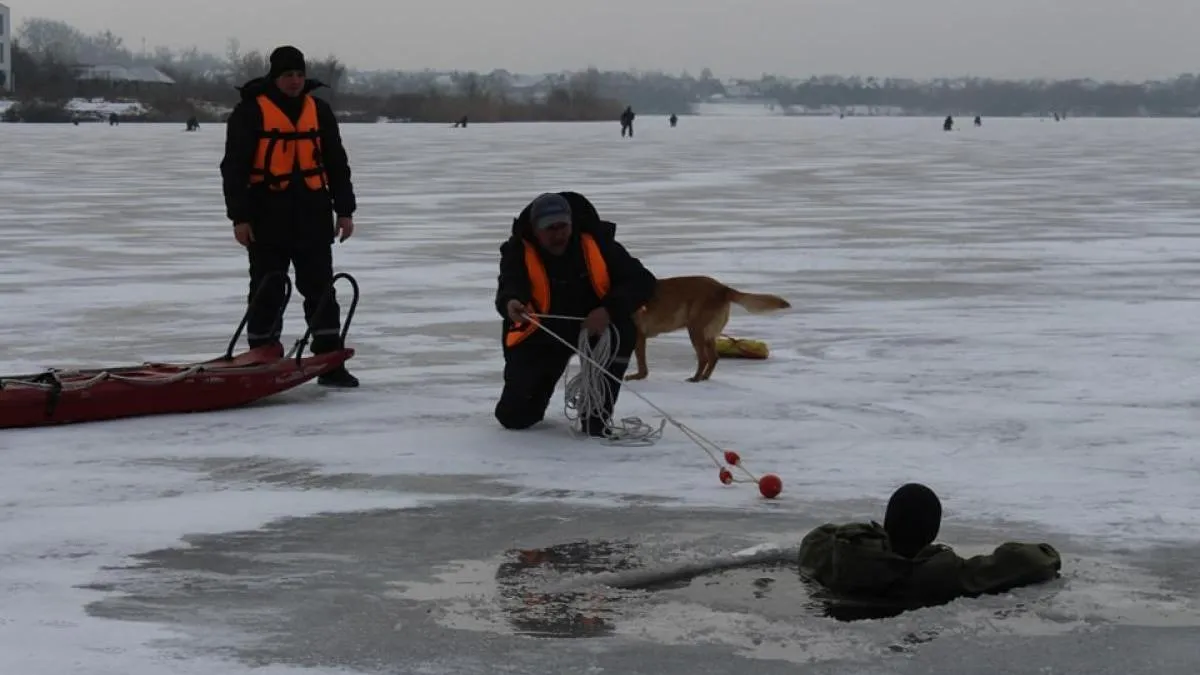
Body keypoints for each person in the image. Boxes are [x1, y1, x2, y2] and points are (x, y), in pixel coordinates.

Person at [219, 45, 359, 387]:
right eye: (287, 75)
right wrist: (239, 218)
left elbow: (337, 163)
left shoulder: (319, 111)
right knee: (268, 288)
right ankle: (262, 357)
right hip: (266, 216)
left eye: (299, 74)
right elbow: (233, 169)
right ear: (274, 77)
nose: (295, 81)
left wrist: (345, 210)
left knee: (320, 289)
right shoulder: (250, 112)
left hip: (313, 214)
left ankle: (329, 360)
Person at [494, 192, 656, 436]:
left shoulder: (598, 243)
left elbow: (643, 281)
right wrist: (511, 303)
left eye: (563, 226)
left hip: (594, 330)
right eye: (550, 229)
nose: (558, 234)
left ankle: (596, 415)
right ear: (536, 230)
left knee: (621, 329)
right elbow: (509, 285)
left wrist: (608, 310)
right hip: (543, 336)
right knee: (515, 418)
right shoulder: (518, 250)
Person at [797, 483, 1062, 619]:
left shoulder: (834, 557)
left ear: (887, 522)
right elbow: (1031, 561)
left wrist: (866, 536)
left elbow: (818, 536)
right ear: (933, 532)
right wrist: (1048, 551)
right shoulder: (941, 576)